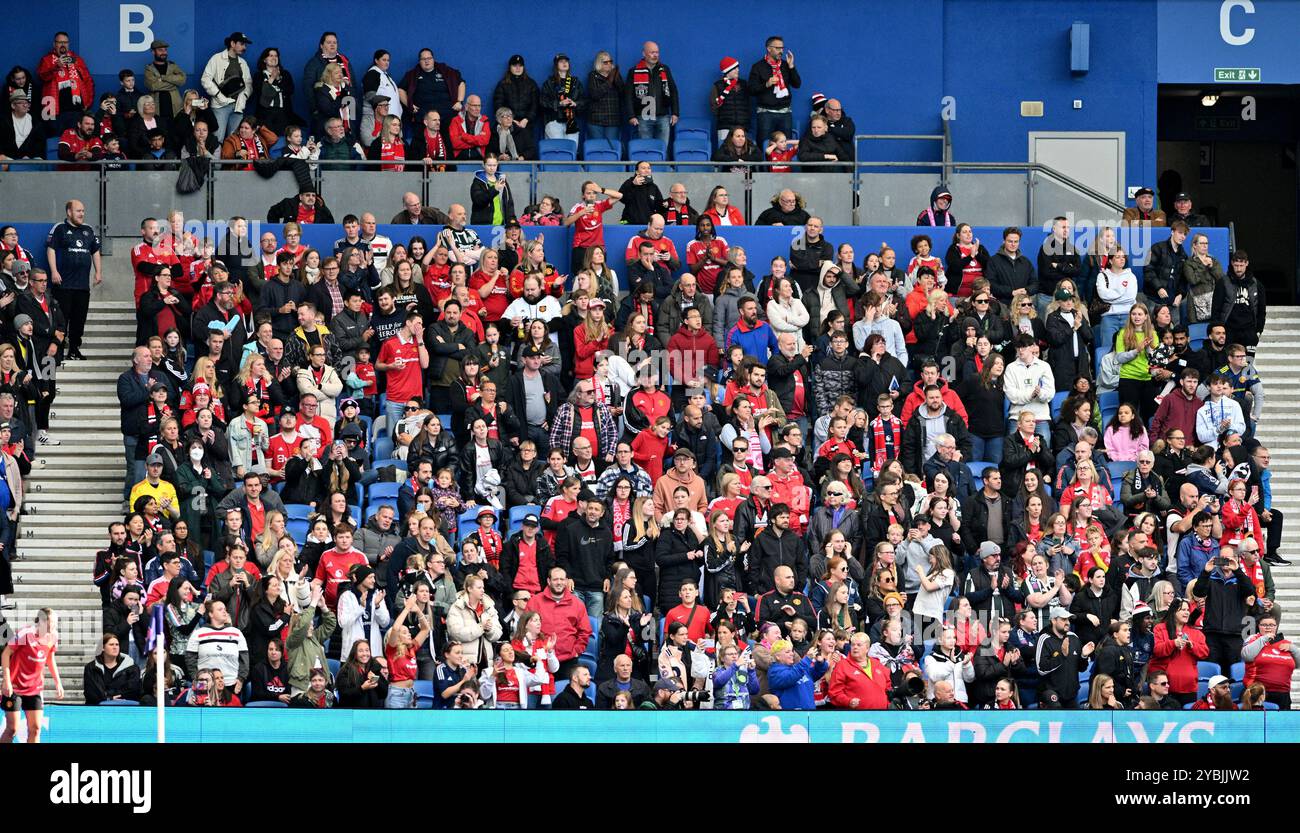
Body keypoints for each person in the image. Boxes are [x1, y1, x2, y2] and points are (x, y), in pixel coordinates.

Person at [525, 566, 593, 677]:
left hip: (568, 660)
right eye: (555, 579)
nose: (559, 583)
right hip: (541, 658)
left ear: (566, 581)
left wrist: (576, 650)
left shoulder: (577, 603)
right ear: (549, 581)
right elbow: (525, 627)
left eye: (562, 579)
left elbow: (585, 631)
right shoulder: (535, 601)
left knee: (565, 693)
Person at [1033, 605, 1092, 708]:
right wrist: (1062, 656)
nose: (1068, 622)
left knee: (1074, 722)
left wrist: (1083, 656)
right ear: (1053, 621)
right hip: (1051, 693)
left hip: (1071, 694)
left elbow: (1081, 668)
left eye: (1068, 619)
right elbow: (1041, 669)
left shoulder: (1073, 638)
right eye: (1064, 619)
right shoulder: (1044, 639)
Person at [200, 32, 253, 138]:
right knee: (217, 138)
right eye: (242, 44)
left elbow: (248, 83)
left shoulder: (243, 62)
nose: (244, 47)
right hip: (220, 106)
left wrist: (244, 97)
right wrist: (219, 95)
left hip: (238, 106)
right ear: (232, 43)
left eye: (245, 45)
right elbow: (205, 79)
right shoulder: (216, 58)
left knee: (236, 140)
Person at [625, 41, 678, 144]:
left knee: (662, 150)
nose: (655, 55)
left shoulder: (665, 69)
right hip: (643, 117)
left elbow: (673, 91)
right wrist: (631, 116)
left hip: (663, 116)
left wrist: (675, 113)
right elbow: (628, 96)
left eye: (657, 52)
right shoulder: (634, 71)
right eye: (652, 52)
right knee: (646, 150)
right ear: (644, 53)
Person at [767, 638, 828, 710]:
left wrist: (820, 663)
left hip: (810, 714)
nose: (792, 654)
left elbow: (816, 673)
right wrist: (807, 659)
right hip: (791, 717)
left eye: (792, 651)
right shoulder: (774, 672)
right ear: (777, 656)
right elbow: (791, 676)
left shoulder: (797, 668)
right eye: (787, 652)